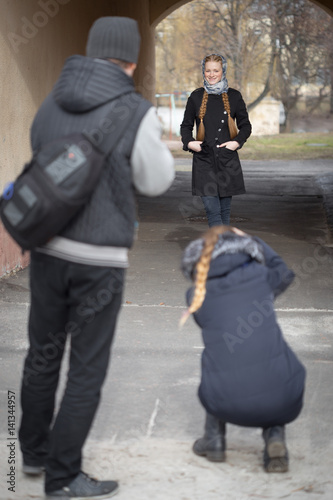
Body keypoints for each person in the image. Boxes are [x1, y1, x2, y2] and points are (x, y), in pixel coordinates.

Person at [18, 16, 175, 500]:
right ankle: (64, 479)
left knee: (42, 356)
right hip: (99, 262)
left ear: (90, 52)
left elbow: (41, 153)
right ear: (131, 59)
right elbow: (155, 182)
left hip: (46, 251)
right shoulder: (136, 110)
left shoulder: (51, 100)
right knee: (86, 369)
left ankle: (33, 455)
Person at [180, 225, 306, 472]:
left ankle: (214, 440)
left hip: (224, 402)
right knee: (273, 357)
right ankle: (275, 439)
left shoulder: (195, 295)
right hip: (283, 399)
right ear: (244, 249)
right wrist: (253, 239)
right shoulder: (261, 276)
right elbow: (284, 272)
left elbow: (207, 321)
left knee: (221, 357)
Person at [180, 54, 252, 227]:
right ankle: (220, 249)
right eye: (208, 70)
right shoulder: (195, 97)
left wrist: (236, 143)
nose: (211, 74)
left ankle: (221, 249)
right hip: (204, 160)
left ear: (223, 71)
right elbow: (185, 126)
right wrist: (190, 143)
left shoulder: (234, 96)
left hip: (227, 161)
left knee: (224, 211)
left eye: (216, 71)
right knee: (213, 211)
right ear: (203, 72)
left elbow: (246, 126)